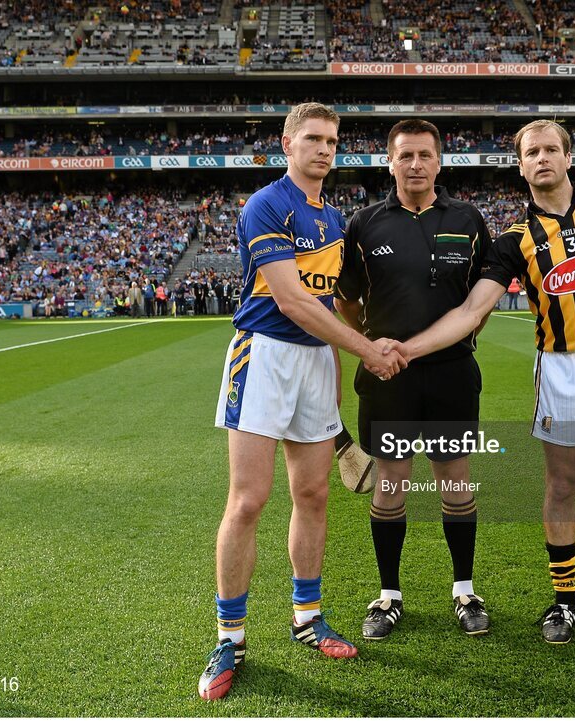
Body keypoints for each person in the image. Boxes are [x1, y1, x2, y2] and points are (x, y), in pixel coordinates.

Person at [383, 120, 575, 648]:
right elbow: (474, 308)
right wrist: (410, 348)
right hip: (561, 369)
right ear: (519, 166)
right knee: (562, 486)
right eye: (531, 152)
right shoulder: (514, 241)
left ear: (568, 157)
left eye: (550, 149)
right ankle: (564, 601)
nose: (541, 159)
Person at [198, 103, 407, 702]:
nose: (324, 149)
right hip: (263, 355)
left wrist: (348, 366)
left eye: (332, 141)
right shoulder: (266, 204)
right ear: (287, 143)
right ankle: (230, 637)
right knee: (248, 500)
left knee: (312, 495)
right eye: (312, 138)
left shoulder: (335, 219)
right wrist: (369, 348)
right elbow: (292, 300)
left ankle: (306, 617)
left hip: (317, 362)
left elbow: (333, 308)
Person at [333, 119, 493, 641]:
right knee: (391, 490)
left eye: (425, 155)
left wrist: (456, 340)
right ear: (390, 162)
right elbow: (347, 302)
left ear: (439, 162)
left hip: (450, 376)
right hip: (388, 380)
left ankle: (465, 590)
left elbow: (477, 302)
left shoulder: (468, 220)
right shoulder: (364, 224)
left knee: (455, 484)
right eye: (406, 156)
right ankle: (389, 596)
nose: (416, 165)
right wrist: (373, 349)